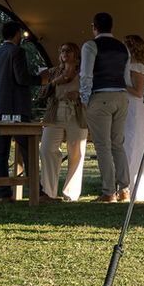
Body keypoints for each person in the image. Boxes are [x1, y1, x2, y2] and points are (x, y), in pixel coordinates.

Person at [0, 20, 48, 196]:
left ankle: (4, 193)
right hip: (16, 109)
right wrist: (41, 79)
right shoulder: (17, 52)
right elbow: (21, 78)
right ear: (18, 34)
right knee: (27, 149)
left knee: (1, 152)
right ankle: (36, 191)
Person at [79, 12, 131, 203]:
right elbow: (126, 76)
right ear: (112, 26)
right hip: (121, 95)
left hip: (100, 96)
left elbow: (86, 74)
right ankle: (124, 190)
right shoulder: (123, 48)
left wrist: (84, 97)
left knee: (103, 146)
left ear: (94, 27)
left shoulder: (90, 46)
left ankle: (108, 191)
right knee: (118, 144)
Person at [39, 42, 88, 202]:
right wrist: (54, 82)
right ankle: (48, 191)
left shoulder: (84, 72)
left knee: (76, 153)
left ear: (76, 53)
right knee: (47, 149)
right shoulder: (54, 72)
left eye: (68, 50)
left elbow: (92, 92)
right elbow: (41, 93)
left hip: (77, 113)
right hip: (55, 113)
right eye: (62, 50)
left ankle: (71, 193)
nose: (65, 53)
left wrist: (79, 95)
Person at [121, 34, 144, 202]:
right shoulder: (125, 66)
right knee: (125, 146)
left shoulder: (136, 67)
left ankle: (129, 188)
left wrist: (119, 84)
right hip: (125, 108)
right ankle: (125, 187)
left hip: (133, 110)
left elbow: (139, 92)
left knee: (132, 146)